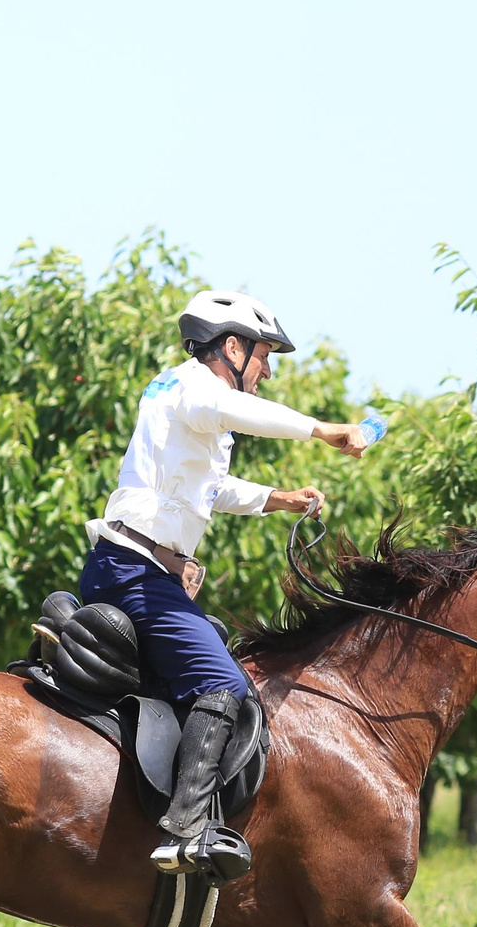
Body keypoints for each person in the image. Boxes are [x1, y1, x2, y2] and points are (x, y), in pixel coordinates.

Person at [80, 289, 371, 877]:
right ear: (232, 347)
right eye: (265, 357)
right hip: (139, 573)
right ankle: (185, 832)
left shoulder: (180, 396)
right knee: (222, 681)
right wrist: (324, 430)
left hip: (129, 565)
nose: (265, 374)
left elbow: (211, 489)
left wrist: (277, 500)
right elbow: (246, 413)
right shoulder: (195, 388)